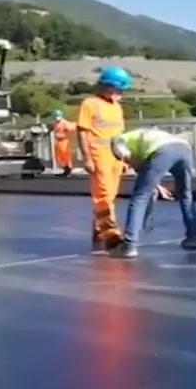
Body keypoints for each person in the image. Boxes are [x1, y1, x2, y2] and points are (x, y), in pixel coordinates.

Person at [109, 127, 196, 258]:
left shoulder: (118, 142)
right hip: (184, 148)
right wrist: (158, 187)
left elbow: (132, 161)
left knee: (139, 197)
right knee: (186, 194)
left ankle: (129, 245)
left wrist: (123, 158)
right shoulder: (143, 136)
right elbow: (146, 172)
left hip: (162, 151)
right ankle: (193, 238)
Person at [77, 66, 131, 252]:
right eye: (119, 89)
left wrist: (124, 160)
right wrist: (87, 158)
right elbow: (82, 132)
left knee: (111, 196)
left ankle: (99, 228)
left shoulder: (117, 107)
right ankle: (111, 236)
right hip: (98, 156)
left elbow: (120, 136)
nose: (120, 93)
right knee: (103, 196)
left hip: (115, 157)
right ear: (108, 86)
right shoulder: (90, 104)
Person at [50, 109, 76, 177]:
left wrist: (65, 135)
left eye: (58, 116)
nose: (56, 117)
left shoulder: (65, 123)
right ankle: (65, 169)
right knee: (59, 156)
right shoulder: (55, 123)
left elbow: (71, 130)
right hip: (59, 141)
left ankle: (68, 170)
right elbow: (53, 128)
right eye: (55, 116)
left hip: (65, 141)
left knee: (65, 155)